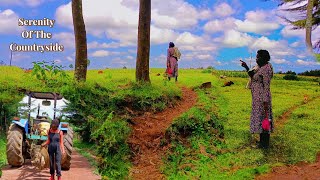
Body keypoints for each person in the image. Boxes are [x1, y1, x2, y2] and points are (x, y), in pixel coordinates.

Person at [240, 49, 274, 149]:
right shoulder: (259, 67)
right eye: (256, 56)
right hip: (257, 100)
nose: (256, 59)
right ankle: (262, 143)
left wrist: (265, 101)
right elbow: (253, 76)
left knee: (265, 121)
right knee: (261, 120)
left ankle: (264, 145)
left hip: (263, 100)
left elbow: (266, 86)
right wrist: (246, 67)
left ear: (264, 58)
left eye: (258, 57)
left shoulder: (266, 69)